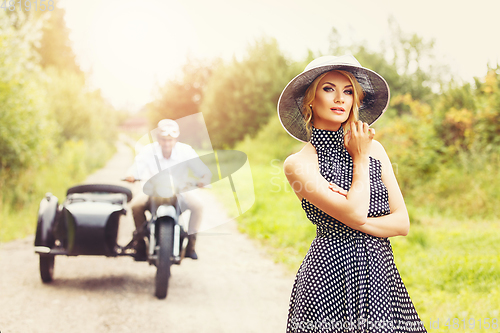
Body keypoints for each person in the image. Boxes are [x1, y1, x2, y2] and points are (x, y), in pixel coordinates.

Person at [278, 55, 427, 332]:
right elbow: (357, 211)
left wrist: (355, 220)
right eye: (328, 88)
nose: (339, 98)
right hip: (328, 279)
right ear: (309, 99)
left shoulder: (377, 150)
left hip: (379, 275)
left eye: (348, 91)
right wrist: (359, 158)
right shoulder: (298, 164)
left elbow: (402, 223)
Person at [125, 119, 212, 260]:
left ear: (176, 139)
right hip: (153, 190)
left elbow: (203, 171)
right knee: (136, 206)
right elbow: (137, 166)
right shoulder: (148, 150)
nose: (167, 143)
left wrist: (204, 178)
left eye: (170, 140)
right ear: (158, 139)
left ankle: (191, 243)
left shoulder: (185, 151)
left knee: (198, 206)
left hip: (180, 191)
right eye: (164, 139)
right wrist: (132, 175)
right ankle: (141, 243)